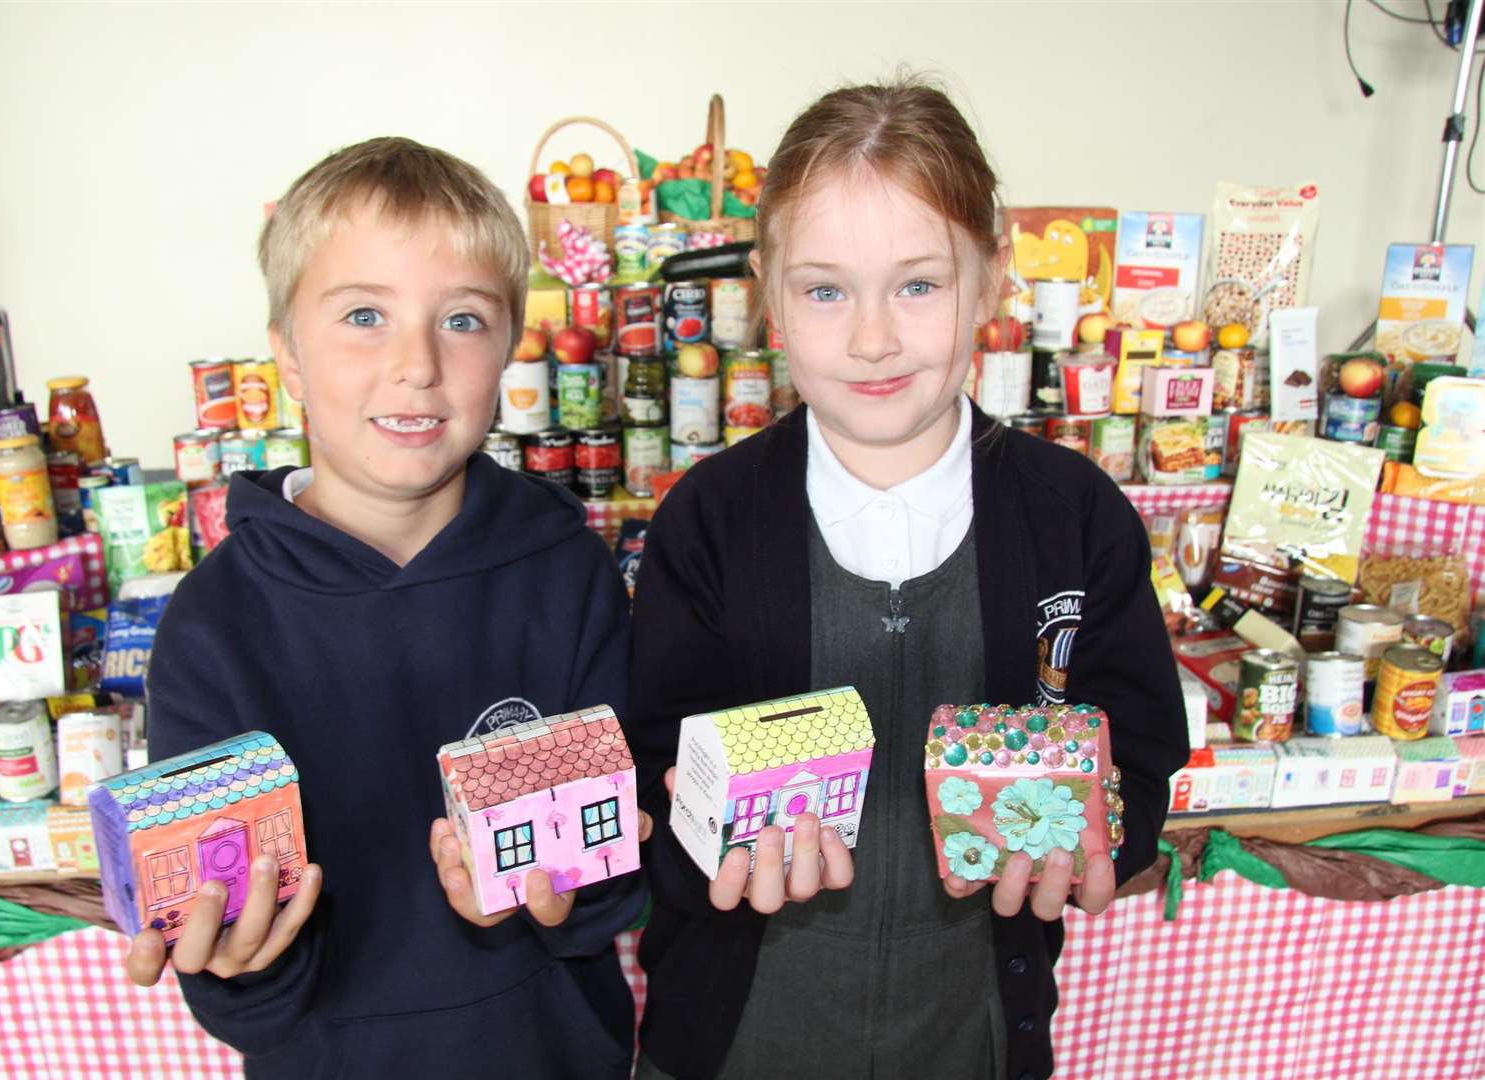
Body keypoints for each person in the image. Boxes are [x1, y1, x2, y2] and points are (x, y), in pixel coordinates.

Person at [624, 80, 1188, 1080]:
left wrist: (1108, 828)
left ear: (990, 280)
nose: (873, 337)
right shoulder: (708, 521)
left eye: (918, 285)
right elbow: (657, 758)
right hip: (735, 1040)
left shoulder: (1072, 514)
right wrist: (708, 838)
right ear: (767, 290)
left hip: (970, 1034)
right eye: (825, 289)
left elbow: (1137, 733)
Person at [129, 136, 645, 1079]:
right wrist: (240, 958)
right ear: (285, 353)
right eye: (365, 315)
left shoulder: (567, 570)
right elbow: (240, 984)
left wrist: (567, 890)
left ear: (509, 351)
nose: (415, 364)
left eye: (462, 320)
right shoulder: (213, 627)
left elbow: (612, 892)